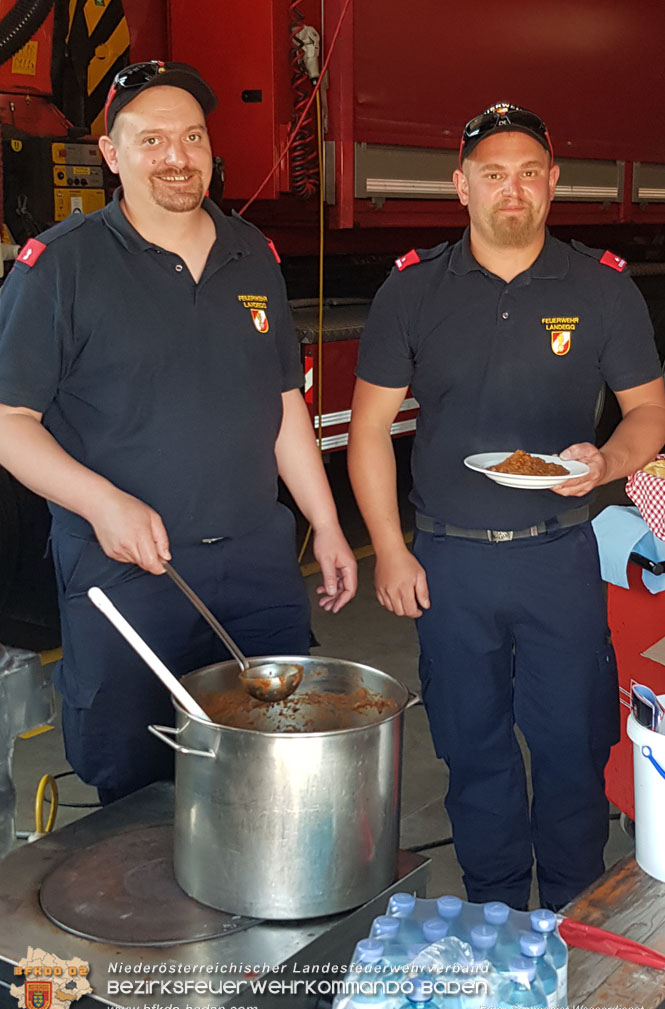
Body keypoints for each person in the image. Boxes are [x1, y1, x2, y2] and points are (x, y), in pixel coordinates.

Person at [0, 60, 356, 804]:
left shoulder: (251, 253)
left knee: (268, 764)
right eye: (152, 138)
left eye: (191, 137)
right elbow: (10, 422)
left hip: (257, 566)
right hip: (127, 573)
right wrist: (102, 503)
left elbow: (283, 399)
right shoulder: (62, 266)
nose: (176, 156)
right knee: (135, 780)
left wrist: (323, 522)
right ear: (111, 153)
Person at [348, 102, 665, 910]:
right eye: (492, 173)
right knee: (469, 740)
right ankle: (493, 905)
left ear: (553, 184)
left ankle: (570, 905)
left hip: (559, 552)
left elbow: (647, 413)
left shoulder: (601, 288)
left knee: (571, 739)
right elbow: (371, 428)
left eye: (528, 172)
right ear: (461, 186)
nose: (511, 189)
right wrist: (388, 548)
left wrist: (607, 463)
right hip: (448, 560)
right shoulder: (412, 291)